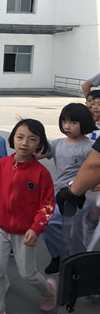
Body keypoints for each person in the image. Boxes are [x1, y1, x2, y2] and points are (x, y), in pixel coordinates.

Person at [0, 119, 56, 314]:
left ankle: (48, 291)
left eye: (32, 139)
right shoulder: (1, 165)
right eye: (20, 137)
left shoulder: (41, 174)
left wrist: (36, 229)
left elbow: (47, 205)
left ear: (40, 143)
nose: (24, 143)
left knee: (27, 274)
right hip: (0, 228)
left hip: (25, 232)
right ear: (13, 139)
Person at [37, 103, 96, 274]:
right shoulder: (57, 144)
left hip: (79, 197)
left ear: (84, 123)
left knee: (75, 231)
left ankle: (81, 263)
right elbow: (38, 153)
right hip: (58, 196)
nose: (67, 126)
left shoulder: (90, 147)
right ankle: (58, 256)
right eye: (64, 122)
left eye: (73, 123)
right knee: (48, 224)